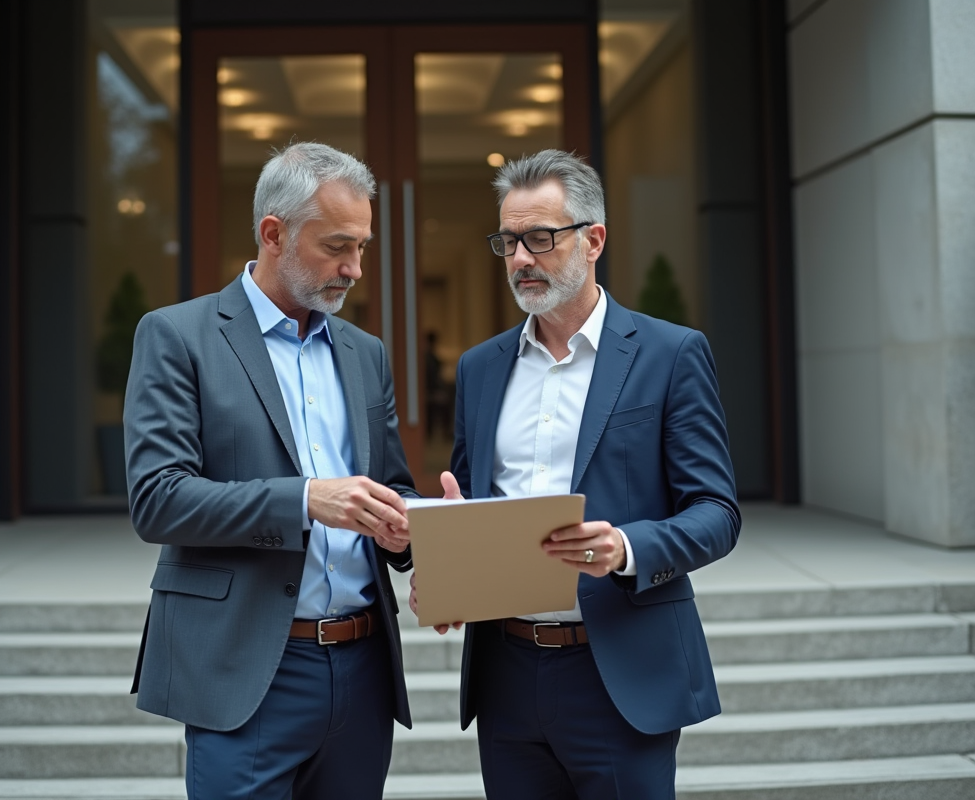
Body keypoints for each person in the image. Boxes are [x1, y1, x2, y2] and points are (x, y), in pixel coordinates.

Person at [411, 149, 740, 799]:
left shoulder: (671, 355)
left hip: (619, 669)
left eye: (539, 238)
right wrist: (449, 572)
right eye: (508, 241)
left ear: (594, 240)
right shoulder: (480, 369)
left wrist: (626, 548)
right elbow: (474, 505)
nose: (520, 259)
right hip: (506, 676)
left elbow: (716, 512)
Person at [125, 142, 417, 800]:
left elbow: (390, 488)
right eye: (338, 246)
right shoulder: (176, 336)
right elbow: (158, 500)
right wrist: (306, 499)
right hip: (248, 669)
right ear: (273, 232)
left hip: (364, 668)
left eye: (364, 247)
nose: (356, 268)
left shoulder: (365, 353)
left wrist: (419, 531)